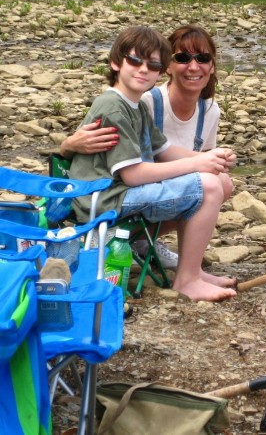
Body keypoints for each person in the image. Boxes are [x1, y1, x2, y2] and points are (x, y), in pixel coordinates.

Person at [69, 25, 237, 302]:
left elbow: (165, 149)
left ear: (161, 71)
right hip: (103, 200)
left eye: (153, 65)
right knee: (206, 185)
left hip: (115, 194)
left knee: (215, 178)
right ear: (115, 63)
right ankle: (187, 280)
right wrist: (198, 166)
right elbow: (133, 174)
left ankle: (190, 270)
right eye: (135, 61)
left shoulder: (133, 104)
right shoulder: (114, 106)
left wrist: (211, 158)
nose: (143, 70)